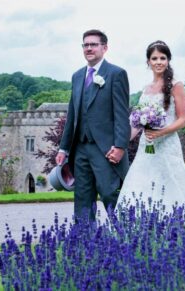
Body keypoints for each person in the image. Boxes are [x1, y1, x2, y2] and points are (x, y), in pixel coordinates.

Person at [115, 40, 185, 213]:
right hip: (146, 146)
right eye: (154, 58)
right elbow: (136, 124)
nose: (158, 62)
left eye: (162, 58)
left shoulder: (176, 85)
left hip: (167, 144)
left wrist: (161, 133)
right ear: (148, 62)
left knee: (171, 183)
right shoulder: (146, 89)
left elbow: (182, 119)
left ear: (168, 60)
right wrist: (120, 143)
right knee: (141, 183)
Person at [56, 29, 130, 220]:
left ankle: (129, 238)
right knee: (82, 198)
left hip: (105, 148)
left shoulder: (116, 74)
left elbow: (121, 114)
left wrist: (120, 146)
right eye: (85, 45)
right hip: (80, 148)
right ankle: (83, 244)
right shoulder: (77, 76)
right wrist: (63, 148)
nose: (89, 48)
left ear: (104, 48)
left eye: (93, 44)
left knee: (109, 193)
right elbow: (72, 115)